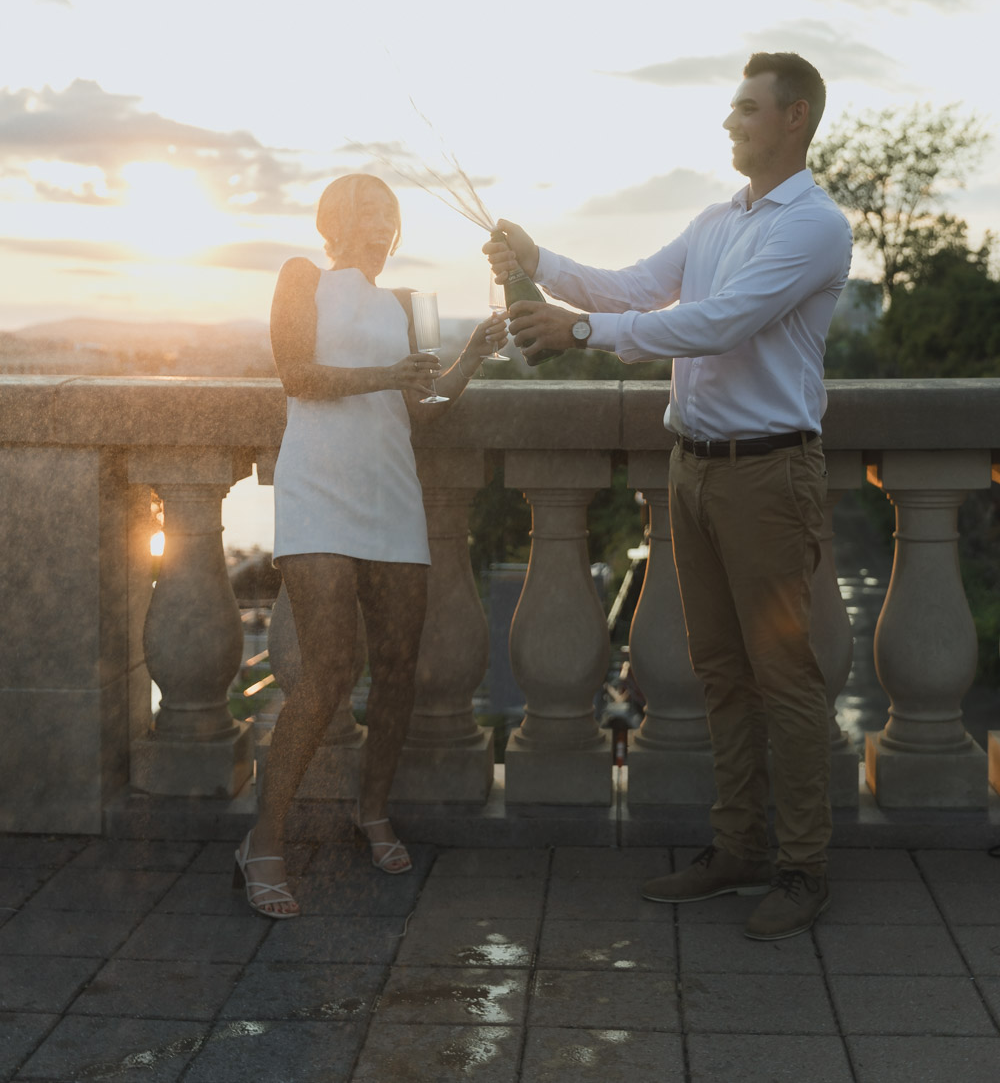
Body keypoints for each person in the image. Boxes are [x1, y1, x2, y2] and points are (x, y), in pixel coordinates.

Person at [485, 52, 852, 941]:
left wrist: (577, 328)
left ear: (794, 117)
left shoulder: (814, 227)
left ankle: (803, 871)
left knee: (787, 681)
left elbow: (718, 321)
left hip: (769, 475)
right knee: (722, 673)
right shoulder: (716, 219)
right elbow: (641, 289)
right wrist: (544, 262)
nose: (729, 122)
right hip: (695, 467)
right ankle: (739, 852)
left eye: (746, 109)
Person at [234, 172, 506, 919]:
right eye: (366, 211)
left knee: (396, 668)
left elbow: (418, 410)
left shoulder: (401, 307)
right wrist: (390, 374)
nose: (381, 224)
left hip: (390, 492)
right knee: (326, 673)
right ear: (334, 220)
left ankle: (373, 809)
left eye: (388, 213)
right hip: (318, 489)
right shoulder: (302, 278)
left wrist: (472, 357)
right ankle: (264, 840)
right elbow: (295, 373)